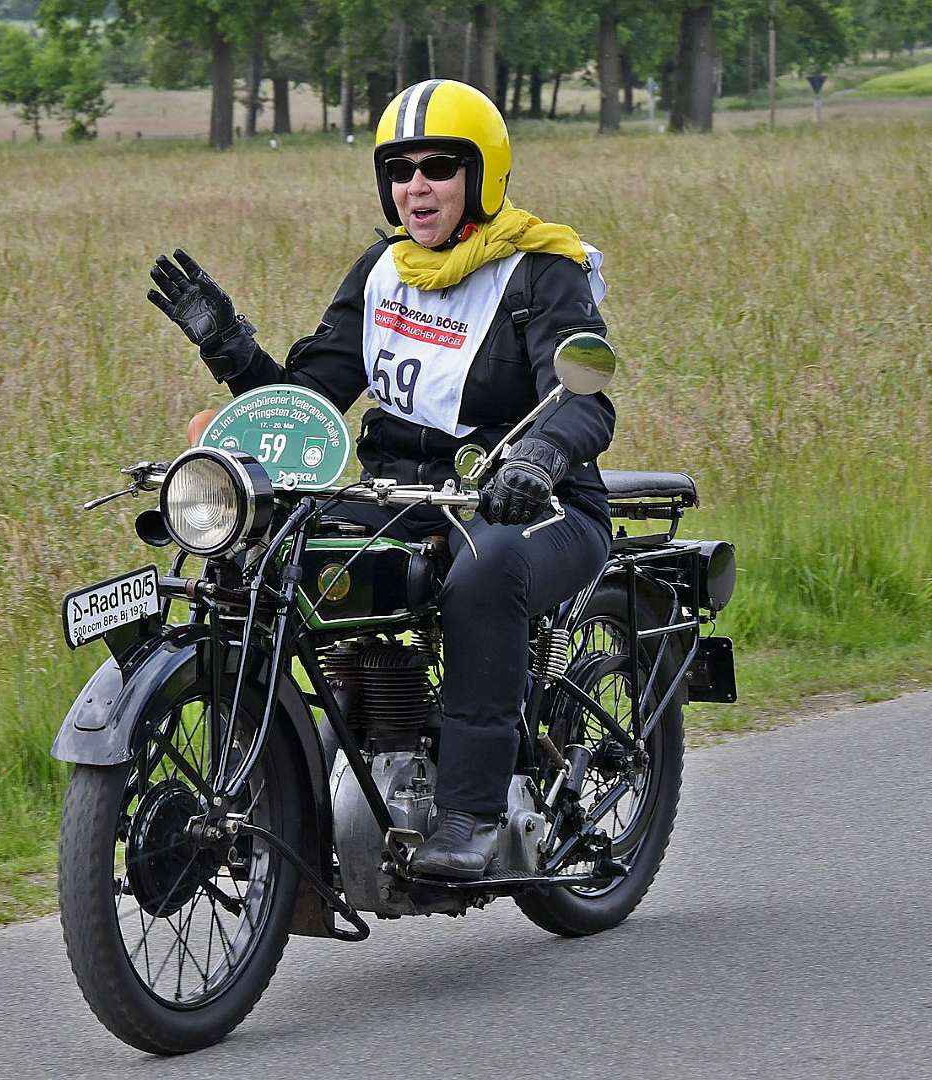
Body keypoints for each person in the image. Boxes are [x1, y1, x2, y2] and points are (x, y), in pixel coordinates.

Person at [148, 79, 615, 881]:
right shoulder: (383, 271)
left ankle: (471, 811)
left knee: (486, 572)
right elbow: (304, 405)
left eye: (438, 167)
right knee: (265, 556)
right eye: (400, 170)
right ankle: (279, 784)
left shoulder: (543, 270)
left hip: (533, 505)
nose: (416, 187)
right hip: (400, 498)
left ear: (482, 174)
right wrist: (228, 344)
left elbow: (584, 401)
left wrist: (538, 459)